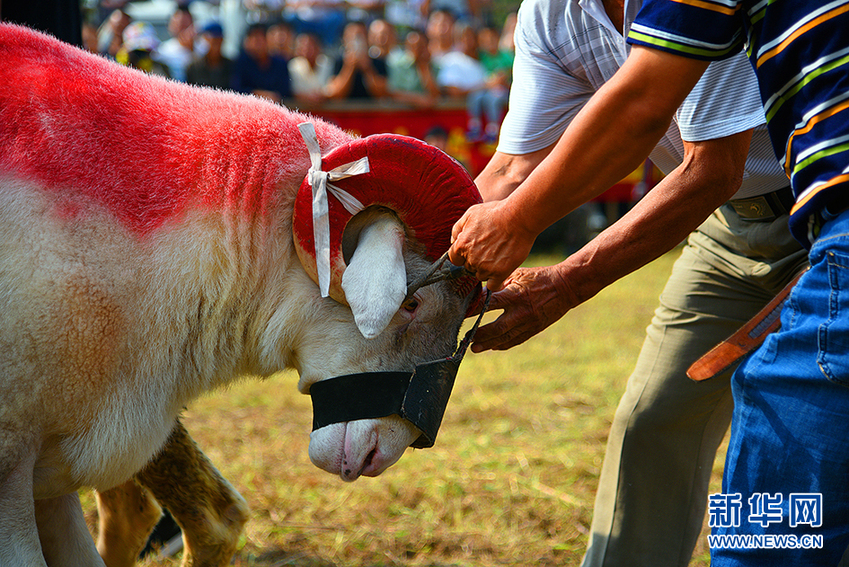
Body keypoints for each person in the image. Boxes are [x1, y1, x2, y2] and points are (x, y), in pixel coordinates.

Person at [449, 0, 849, 564]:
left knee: (787, 440)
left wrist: (558, 275)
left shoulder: (689, 8)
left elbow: (701, 159)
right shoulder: (550, 13)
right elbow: (513, 170)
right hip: (733, 225)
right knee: (654, 420)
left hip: (820, 219)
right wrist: (426, 259)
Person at [325, 20, 389, 100]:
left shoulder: (379, 63)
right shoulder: (337, 63)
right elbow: (336, 94)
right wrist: (349, 67)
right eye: (352, 36)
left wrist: (368, 69)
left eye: (360, 35)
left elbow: (382, 94)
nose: (356, 40)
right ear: (344, 38)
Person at [230, 22, 291, 103]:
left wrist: (273, 96)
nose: (257, 44)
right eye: (253, 39)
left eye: (260, 39)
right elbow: (236, 89)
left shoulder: (281, 63)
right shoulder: (241, 63)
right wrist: (259, 94)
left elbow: (286, 92)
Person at [387, 29, 440, 107]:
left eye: (420, 45)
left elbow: (436, 95)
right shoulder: (398, 66)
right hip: (403, 115)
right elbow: (393, 93)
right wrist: (417, 100)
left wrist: (424, 67)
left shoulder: (434, 66)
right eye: (412, 46)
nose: (417, 49)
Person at [186, 22, 233, 90]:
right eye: (213, 41)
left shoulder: (231, 67)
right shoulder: (194, 67)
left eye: (217, 41)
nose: (215, 45)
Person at [153, 6, 195, 82]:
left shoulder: (203, 48)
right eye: (179, 24)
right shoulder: (163, 50)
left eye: (185, 24)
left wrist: (192, 50)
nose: (182, 29)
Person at [288, 32, 332, 102]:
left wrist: (323, 95)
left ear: (318, 47)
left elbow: (331, 87)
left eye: (310, 46)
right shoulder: (293, 65)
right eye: (303, 46)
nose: (306, 49)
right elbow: (295, 91)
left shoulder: (328, 63)